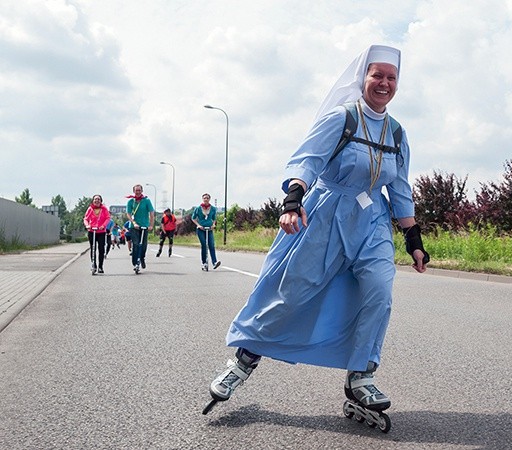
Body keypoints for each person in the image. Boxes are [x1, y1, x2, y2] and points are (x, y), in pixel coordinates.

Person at [205, 45, 428, 420]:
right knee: (291, 293)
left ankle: (361, 375)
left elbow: (400, 189)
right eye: (378, 75)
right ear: (363, 78)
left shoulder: (397, 133)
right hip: (325, 216)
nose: (385, 83)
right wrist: (293, 201)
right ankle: (244, 359)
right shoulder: (341, 119)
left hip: (372, 221)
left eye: (392, 78)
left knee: (378, 292)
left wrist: (414, 239)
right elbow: (307, 161)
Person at [126, 184, 155, 272]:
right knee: (136, 244)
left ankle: (142, 258)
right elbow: (128, 214)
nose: (138, 192)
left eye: (139, 190)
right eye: (136, 190)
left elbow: (151, 213)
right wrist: (133, 222)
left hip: (144, 226)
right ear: (133, 191)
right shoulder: (131, 201)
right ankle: (135, 263)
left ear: (142, 191)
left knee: (143, 245)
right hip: (134, 226)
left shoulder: (146, 201)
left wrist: (151, 225)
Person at [83, 194, 111, 274]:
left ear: (101, 201)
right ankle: (93, 265)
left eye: (98, 199)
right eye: (95, 199)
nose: (97, 200)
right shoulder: (90, 209)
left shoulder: (104, 209)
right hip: (92, 231)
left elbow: (107, 218)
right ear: (93, 200)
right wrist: (87, 225)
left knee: (101, 249)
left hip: (101, 231)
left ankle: (100, 266)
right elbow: (86, 219)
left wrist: (103, 226)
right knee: (93, 248)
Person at [192, 193, 220, 270]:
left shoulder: (213, 209)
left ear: (209, 199)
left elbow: (214, 219)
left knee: (211, 245)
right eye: (204, 198)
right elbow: (193, 218)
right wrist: (198, 225)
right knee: (204, 245)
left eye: (207, 198)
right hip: (201, 229)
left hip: (209, 228)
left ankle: (214, 262)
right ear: (202, 199)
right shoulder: (198, 208)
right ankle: (204, 263)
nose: (206, 199)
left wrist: (213, 224)